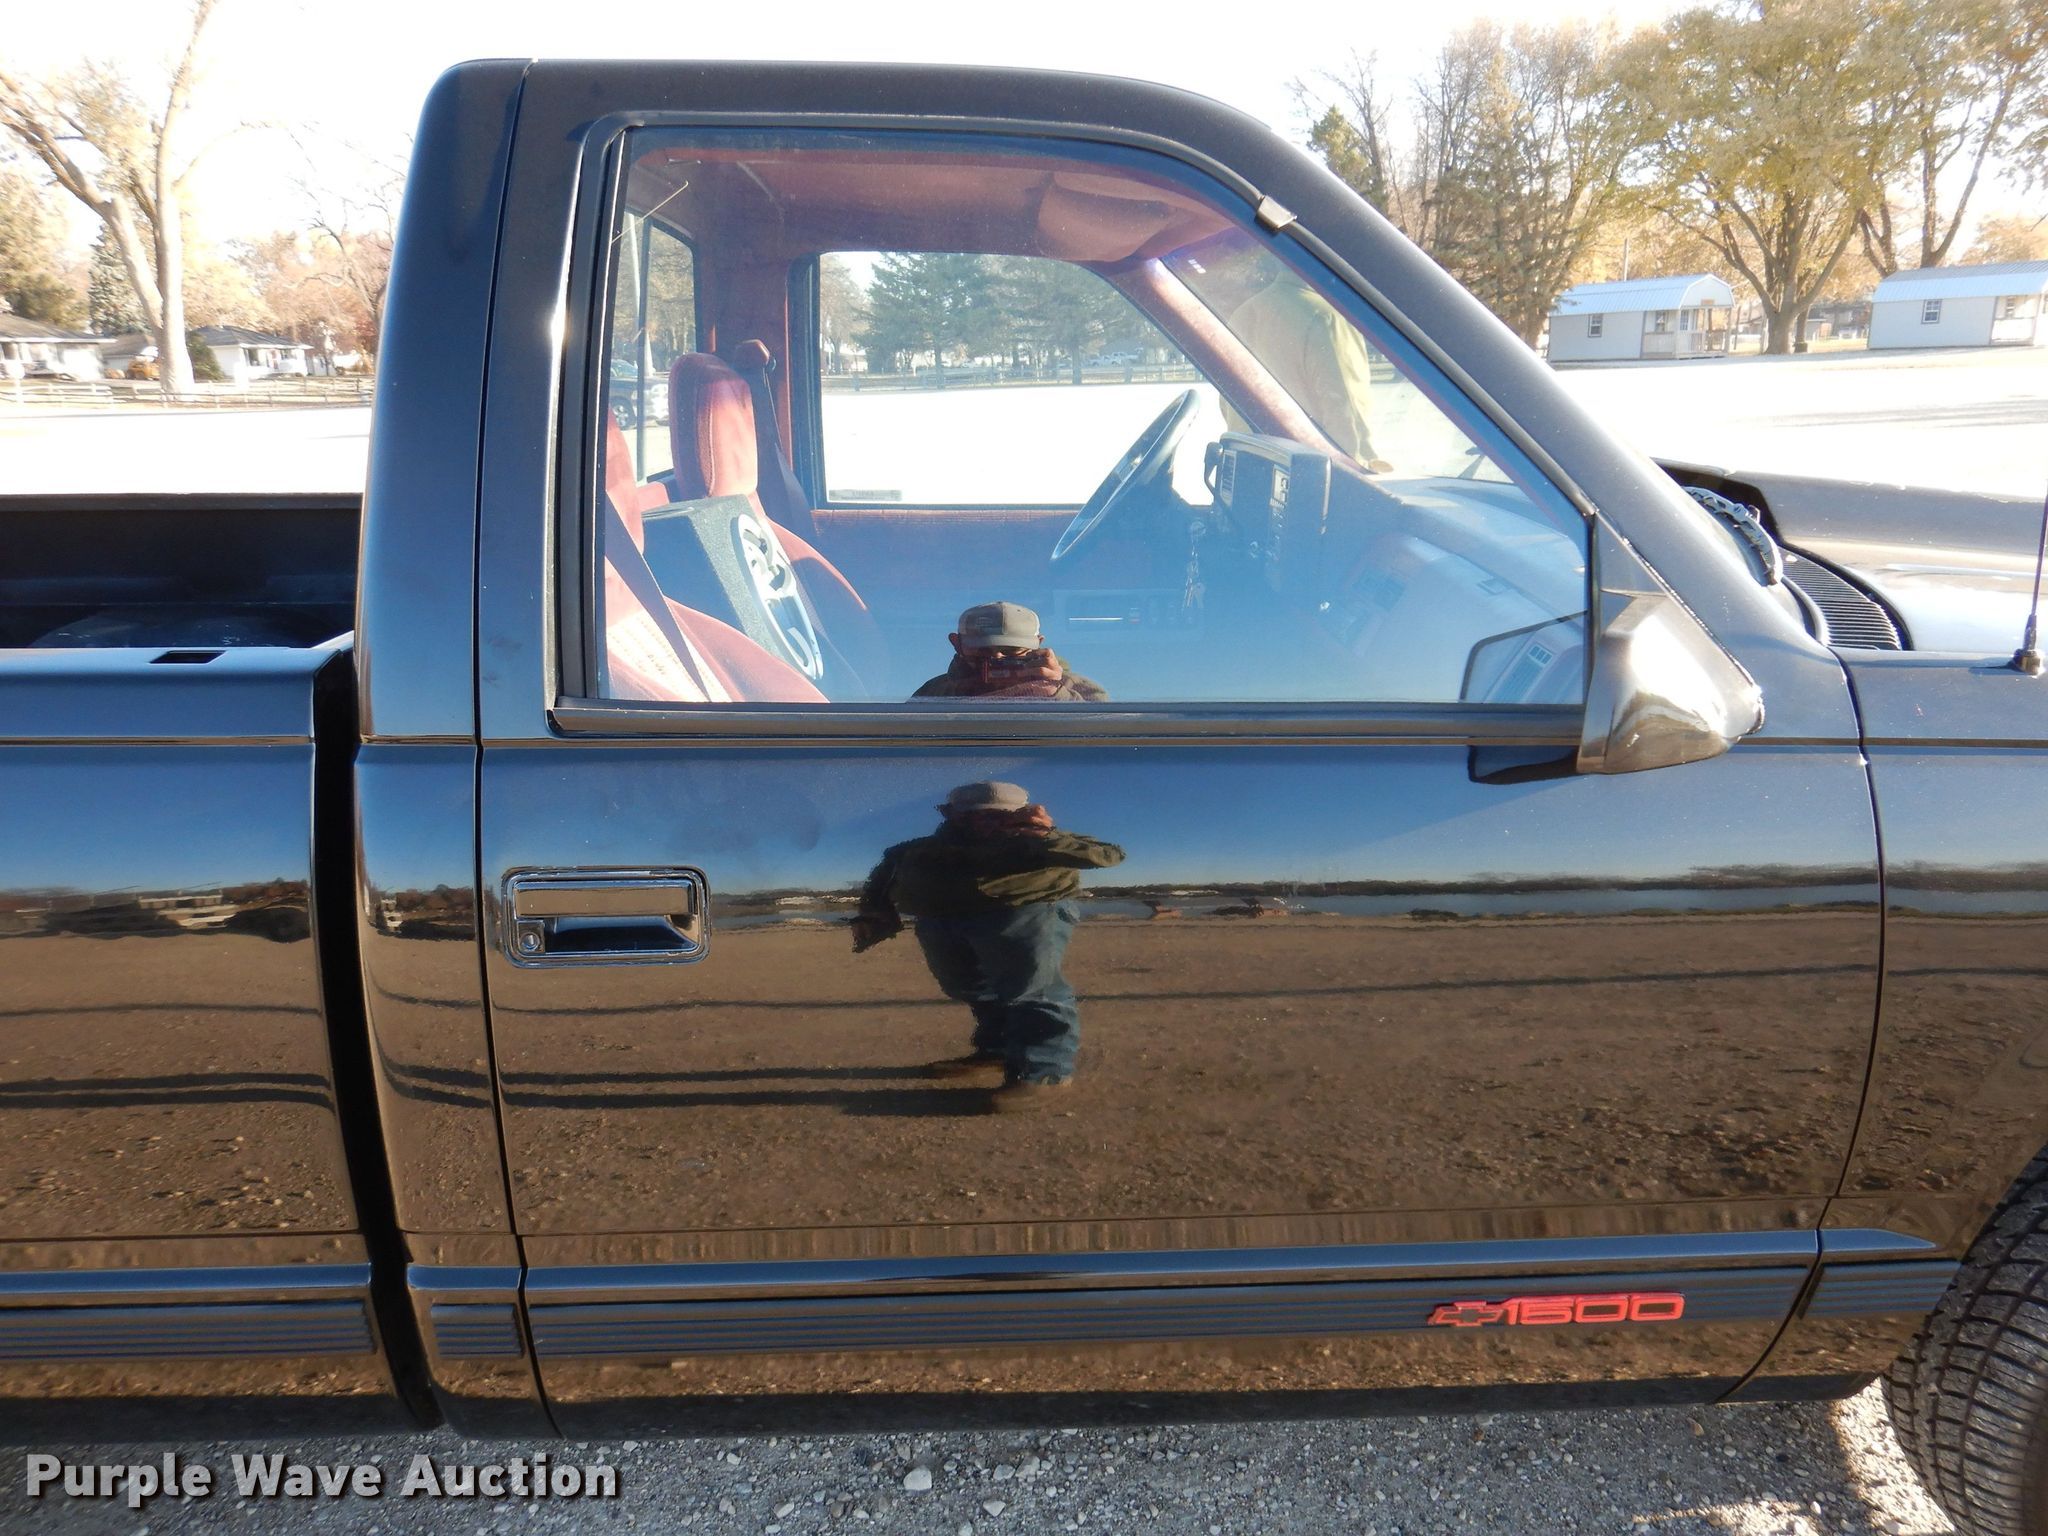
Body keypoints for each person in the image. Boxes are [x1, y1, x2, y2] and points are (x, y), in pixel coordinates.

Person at [852, 781, 1125, 1111]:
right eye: (972, 815)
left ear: (1022, 812)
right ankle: (996, 1051)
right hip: (941, 919)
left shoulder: (1041, 838)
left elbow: (1109, 855)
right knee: (970, 986)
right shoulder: (915, 849)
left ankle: (1046, 1073)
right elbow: (882, 878)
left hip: (1025, 912)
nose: (985, 822)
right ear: (949, 813)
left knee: (1032, 990)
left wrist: (1047, 835)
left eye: (999, 815)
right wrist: (874, 912)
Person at [910, 601, 1108, 702]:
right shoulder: (933, 693)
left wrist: (1055, 695)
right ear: (957, 643)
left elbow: (1101, 741)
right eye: (981, 650)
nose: (996, 657)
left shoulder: (1079, 689)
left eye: (1011, 650)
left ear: (1038, 645)